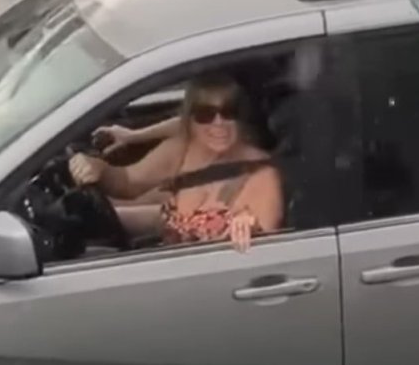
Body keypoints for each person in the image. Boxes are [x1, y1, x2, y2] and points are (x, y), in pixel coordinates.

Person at [67, 73, 283, 251]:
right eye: (205, 114)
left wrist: (249, 227)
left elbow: (264, 244)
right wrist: (97, 168)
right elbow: (127, 182)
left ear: (241, 117)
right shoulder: (182, 149)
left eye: (229, 112)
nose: (218, 123)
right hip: (170, 261)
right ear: (190, 119)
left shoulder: (261, 173)